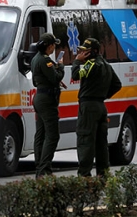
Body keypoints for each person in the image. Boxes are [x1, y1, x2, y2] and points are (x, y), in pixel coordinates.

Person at [71, 38, 122, 177]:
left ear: (93, 52)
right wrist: (102, 96)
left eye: (85, 51)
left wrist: (76, 61)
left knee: (85, 139)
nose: (82, 52)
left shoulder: (91, 65)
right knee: (101, 143)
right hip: (100, 106)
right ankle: (103, 175)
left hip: (88, 107)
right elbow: (117, 85)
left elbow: (75, 75)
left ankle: (84, 176)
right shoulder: (106, 65)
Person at [30, 33, 65, 178]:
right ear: (49, 46)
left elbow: (36, 81)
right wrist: (61, 66)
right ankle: (45, 169)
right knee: (52, 136)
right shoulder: (45, 61)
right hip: (47, 101)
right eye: (53, 45)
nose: (54, 48)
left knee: (41, 134)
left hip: (39, 97)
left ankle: (39, 167)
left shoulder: (35, 59)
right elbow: (56, 77)